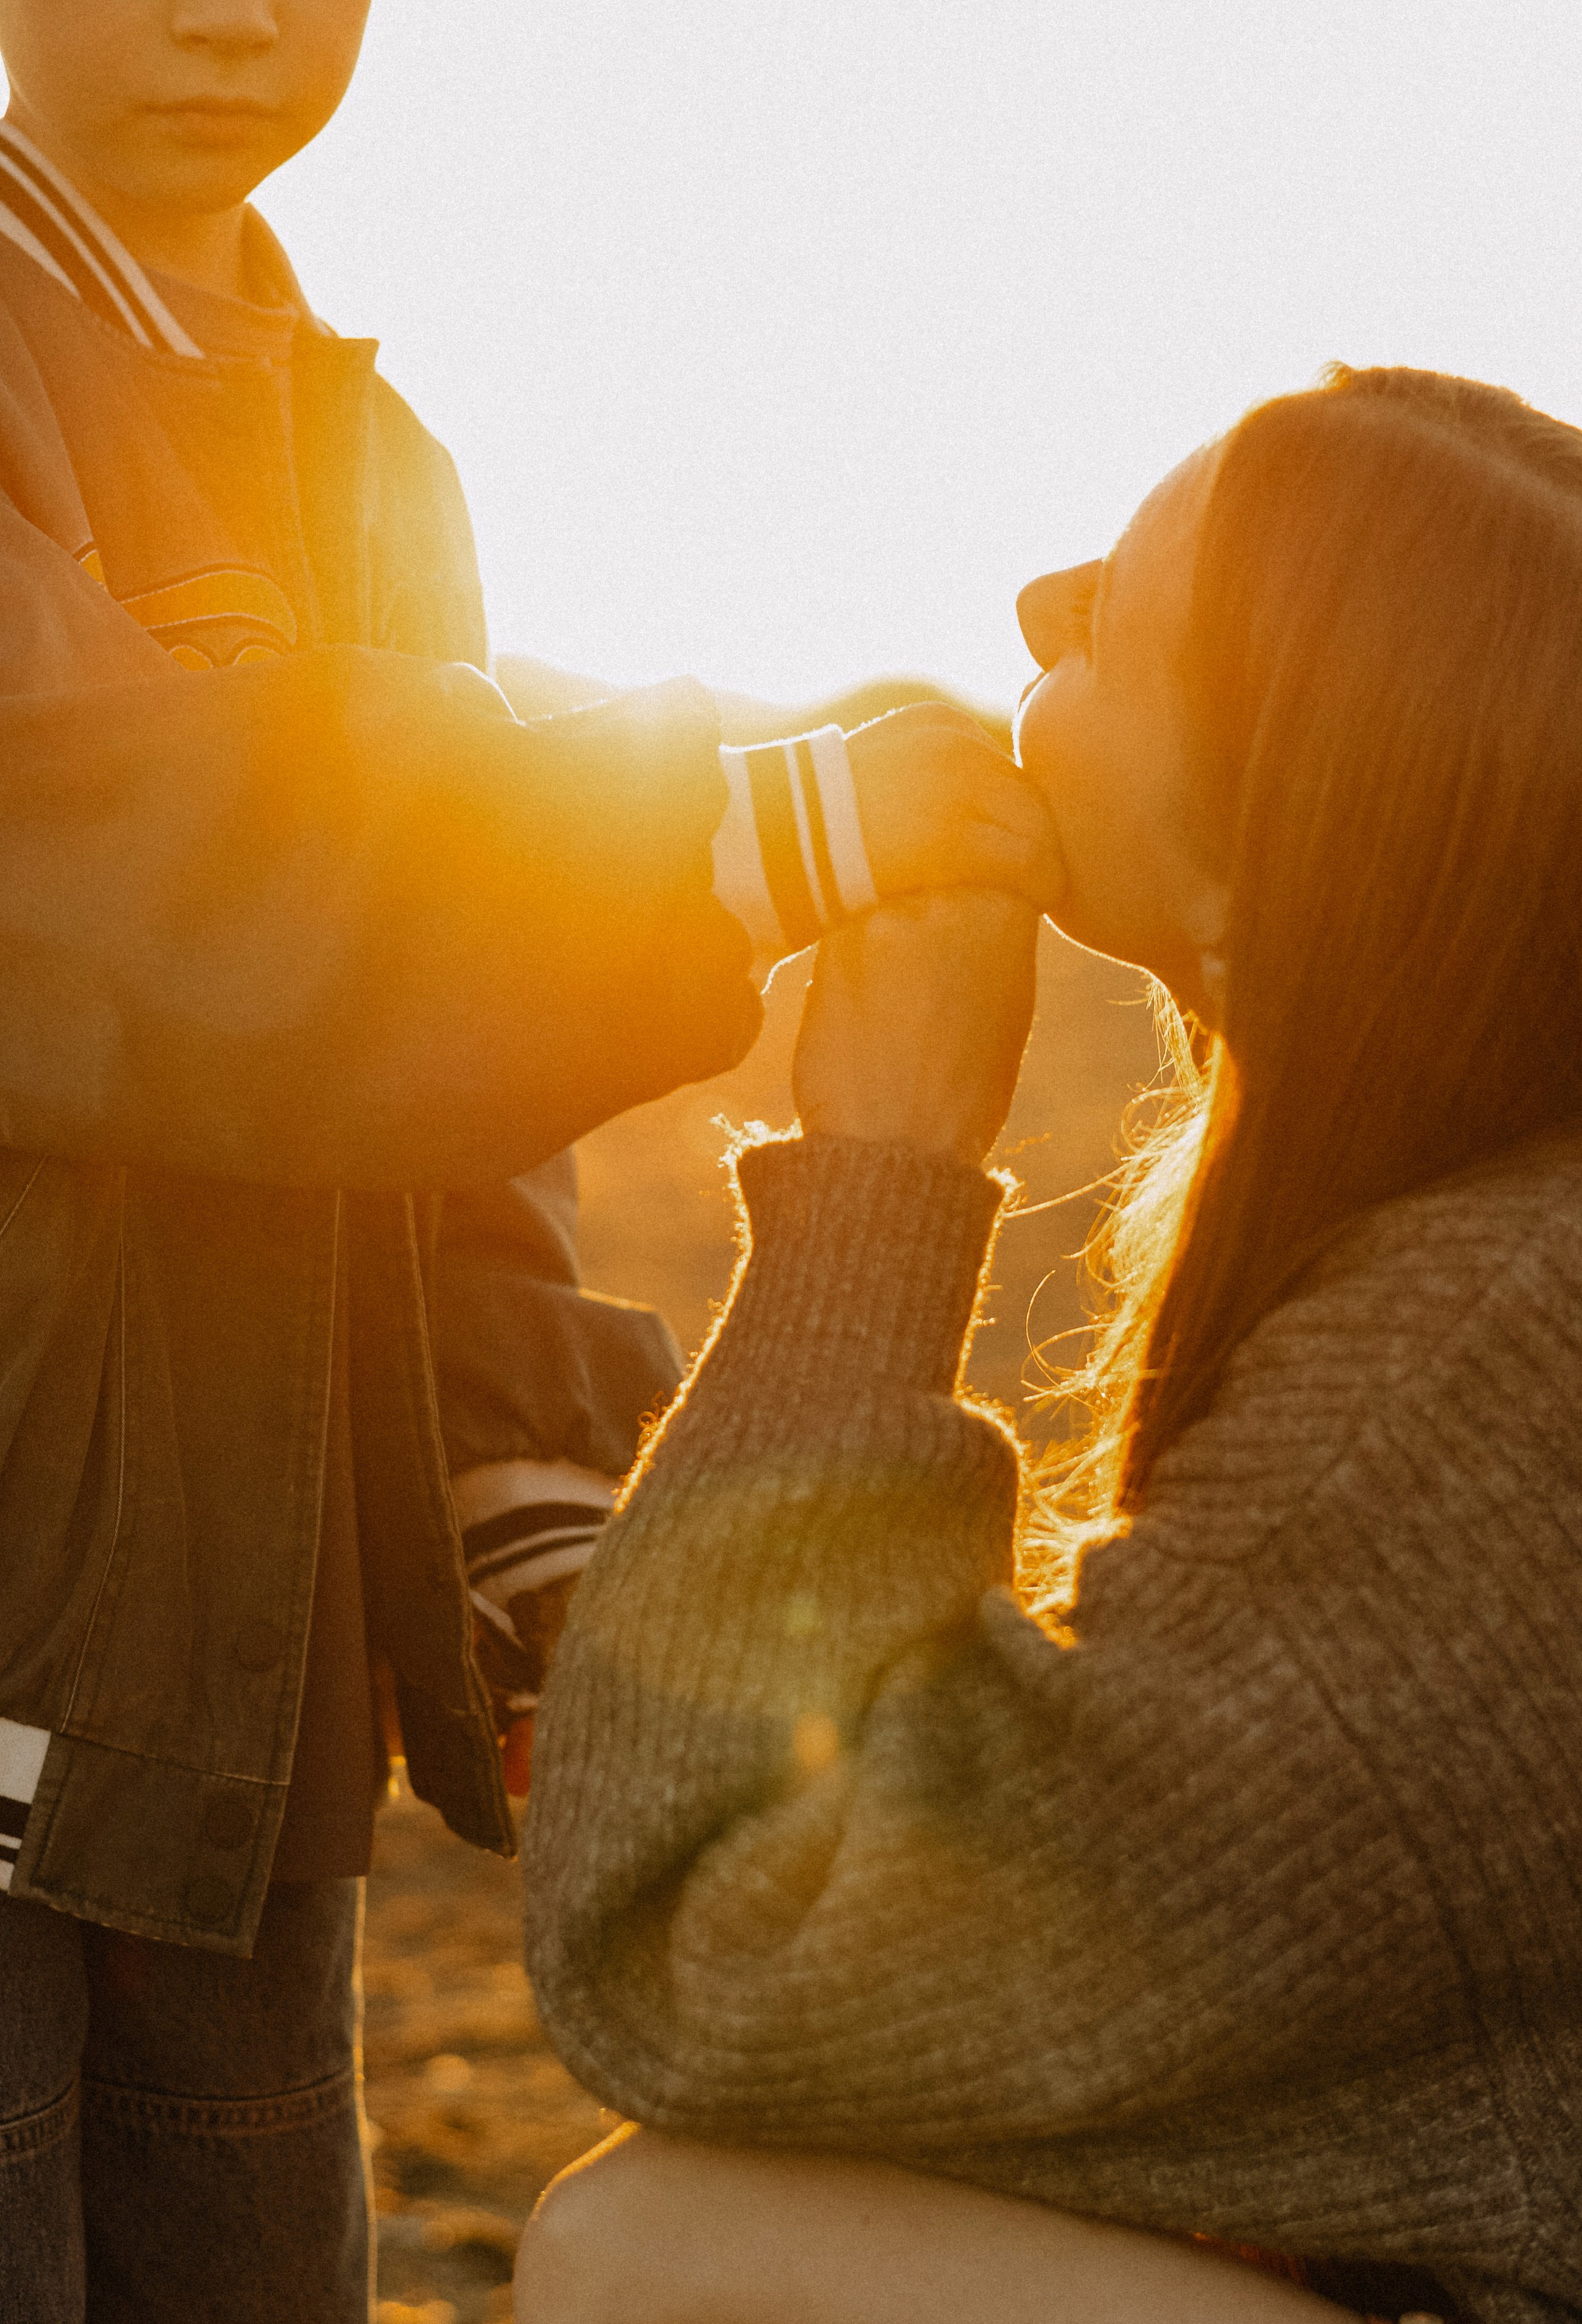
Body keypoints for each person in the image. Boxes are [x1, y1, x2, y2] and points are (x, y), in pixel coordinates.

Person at [0, 6, 1059, 2319]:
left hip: (253, 1711)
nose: (231, 13)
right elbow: (110, 852)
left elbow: (456, 1079)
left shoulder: (383, 460)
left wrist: (523, 1491)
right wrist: (737, 828)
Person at [517, 365, 1582, 2324]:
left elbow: (700, 1939)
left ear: (1276, 842)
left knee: (661, 2251)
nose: (1032, 607)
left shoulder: (1484, 1362)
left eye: (1113, 617)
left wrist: (883, 1169)